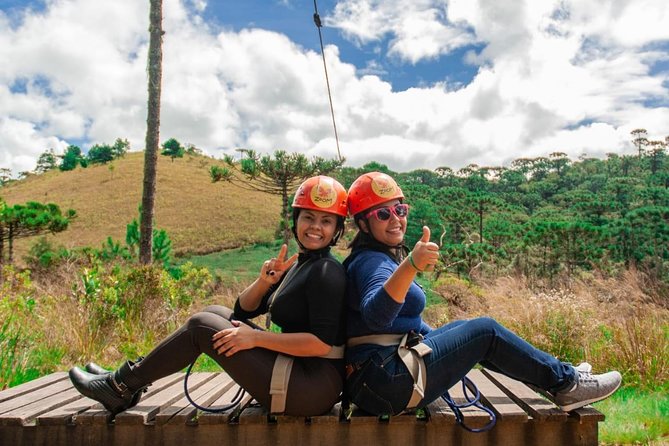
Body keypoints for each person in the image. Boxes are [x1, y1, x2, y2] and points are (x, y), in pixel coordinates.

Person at [342, 171, 622, 419]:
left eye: (400, 209)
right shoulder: (371, 262)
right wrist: (411, 265)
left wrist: (453, 346)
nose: (395, 219)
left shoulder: (380, 257)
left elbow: (408, 324)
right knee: (484, 331)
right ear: (363, 225)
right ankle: (567, 384)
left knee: (466, 330)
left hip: (379, 378)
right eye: (382, 214)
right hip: (386, 381)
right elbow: (376, 316)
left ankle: (554, 377)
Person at [69, 175, 349, 417]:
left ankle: (120, 386)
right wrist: (264, 282)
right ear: (295, 220)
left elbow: (321, 345)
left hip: (311, 388)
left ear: (337, 229)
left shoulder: (326, 272)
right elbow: (242, 311)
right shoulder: (302, 264)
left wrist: (256, 338)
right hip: (297, 371)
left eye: (326, 221)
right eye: (308, 217)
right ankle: (126, 380)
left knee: (201, 327)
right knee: (215, 312)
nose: (315, 226)